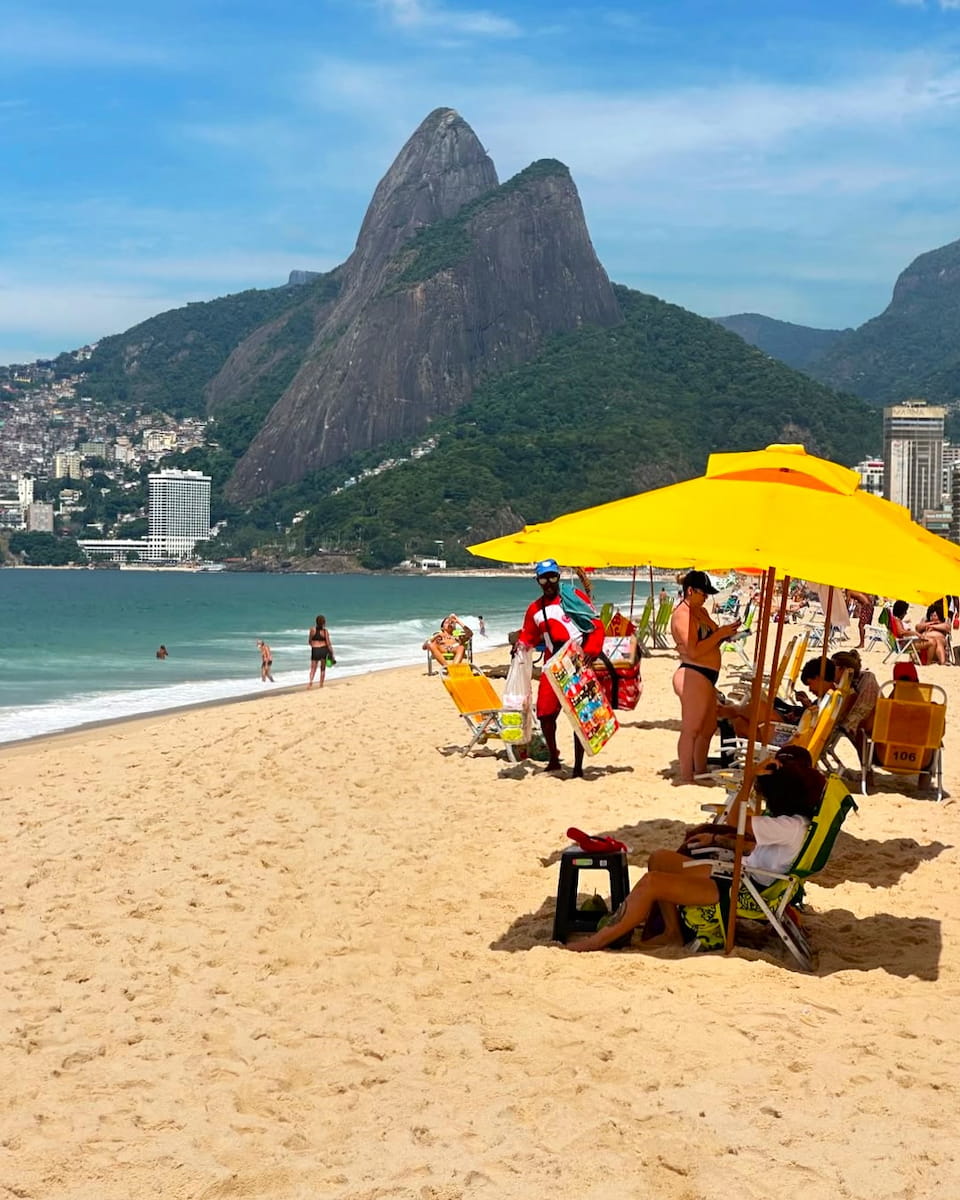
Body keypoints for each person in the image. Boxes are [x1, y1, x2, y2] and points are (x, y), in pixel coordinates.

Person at [568, 754, 822, 951]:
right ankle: (672, 932)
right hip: (740, 876)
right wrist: (717, 841)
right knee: (659, 859)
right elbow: (754, 847)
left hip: (738, 889)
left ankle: (597, 941)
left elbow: (734, 822)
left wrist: (747, 782)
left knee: (652, 882)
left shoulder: (788, 826)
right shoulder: (794, 824)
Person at [515, 558, 604, 778]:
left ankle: (578, 767)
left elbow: (596, 626)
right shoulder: (535, 609)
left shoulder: (573, 598)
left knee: (580, 717)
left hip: (578, 662)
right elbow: (529, 634)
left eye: (552, 577)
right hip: (551, 665)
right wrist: (520, 646)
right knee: (545, 713)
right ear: (538, 581)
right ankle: (554, 758)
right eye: (544, 578)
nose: (548, 582)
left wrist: (590, 653)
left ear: (558, 577)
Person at [670, 570, 740, 784]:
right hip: (693, 673)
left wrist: (725, 634)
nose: (706, 597)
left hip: (706, 675)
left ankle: (700, 770)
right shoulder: (683, 614)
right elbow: (693, 650)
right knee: (691, 728)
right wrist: (719, 634)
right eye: (703, 593)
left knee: (708, 726)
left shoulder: (700, 611)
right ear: (690, 591)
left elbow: (710, 641)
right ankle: (686, 776)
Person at [891, 600, 947, 665]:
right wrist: (915, 633)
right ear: (901, 612)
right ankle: (928, 663)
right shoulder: (897, 621)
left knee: (932, 641)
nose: (906, 613)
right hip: (904, 644)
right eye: (905, 611)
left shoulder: (895, 620)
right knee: (932, 642)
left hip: (905, 642)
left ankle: (927, 662)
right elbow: (901, 632)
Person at [308, 615, 336, 687]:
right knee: (322, 668)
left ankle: (310, 682)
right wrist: (332, 653)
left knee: (313, 668)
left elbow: (309, 641)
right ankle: (321, 684)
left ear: (316, 622)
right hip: (323, 649)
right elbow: (328, 643)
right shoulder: (325, 631)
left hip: (315, 650)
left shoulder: (312, 630)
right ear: (324, 622)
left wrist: (314, 646)